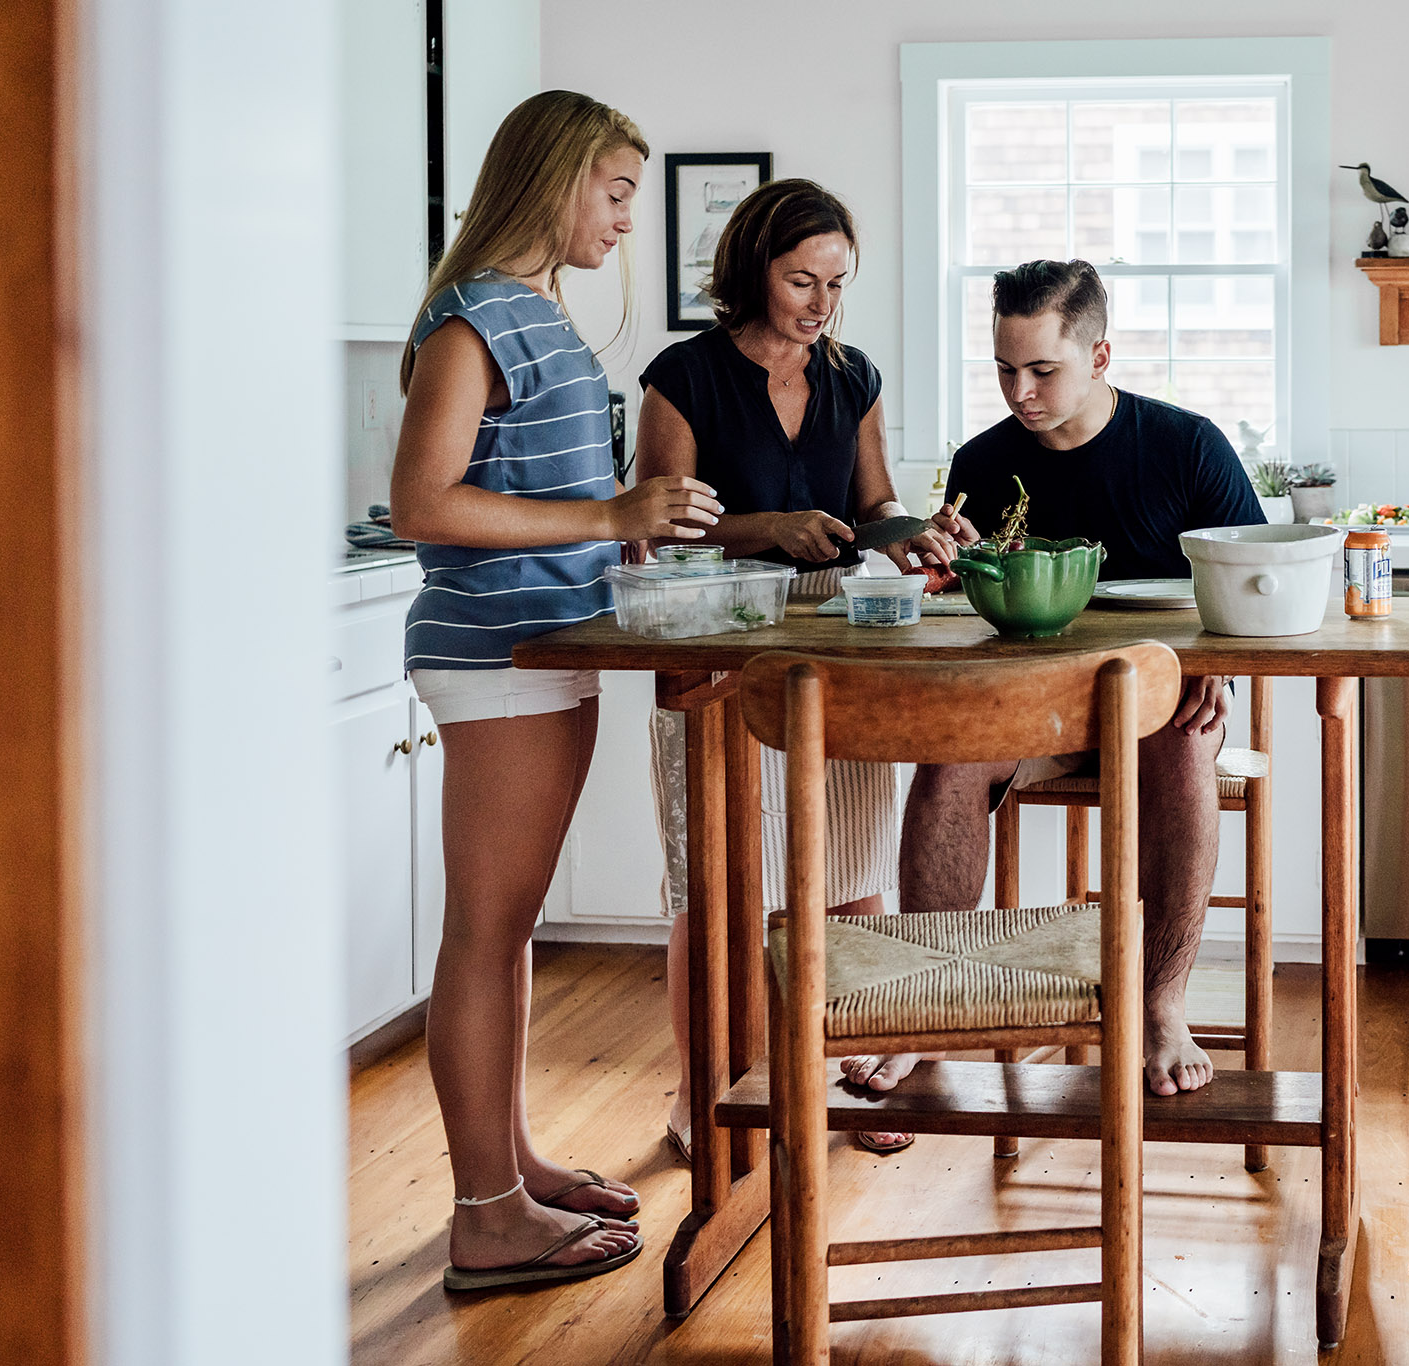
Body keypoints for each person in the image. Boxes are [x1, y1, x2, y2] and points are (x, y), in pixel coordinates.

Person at [389, 90, 723, 1291]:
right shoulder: (472, 318)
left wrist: (623, 545)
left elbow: (533, 493)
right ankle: (485, 1214)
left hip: (548, 646)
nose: (628, 217)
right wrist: (608, 514)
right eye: (617, 190)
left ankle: (509, 1162)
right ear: (555, 180)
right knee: (485, 931)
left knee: (508, 926)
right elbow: (424, 503)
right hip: (495, 656)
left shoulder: (542, 317)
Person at [841, 259, 1264, 1099]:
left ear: (1100, 357)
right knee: (947, 757)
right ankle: (931, 1001)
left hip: (1155, 712)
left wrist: (1217, 670)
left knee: (1185, 750)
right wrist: (943, 559)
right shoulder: (985, 464)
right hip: (1028, 716)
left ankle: (1160, 1007)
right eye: (1003, 369)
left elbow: (1247, 582)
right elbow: (958, 609)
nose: (1019, 391)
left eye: (1042, 370)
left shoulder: (1185, 447)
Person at [634, 179, 973, 1158]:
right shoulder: (682, 376)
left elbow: (871, 509)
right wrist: (762, 529)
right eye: (800, 280)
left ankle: (846, 1071)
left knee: (851, 869)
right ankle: (701, 1096)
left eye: (835, 281)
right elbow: (656, 523)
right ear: (751, 271)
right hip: (712, 643)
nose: (820, 302)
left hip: (836, 644)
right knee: (715, 886)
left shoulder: (850, 375)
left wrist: (920, 532)